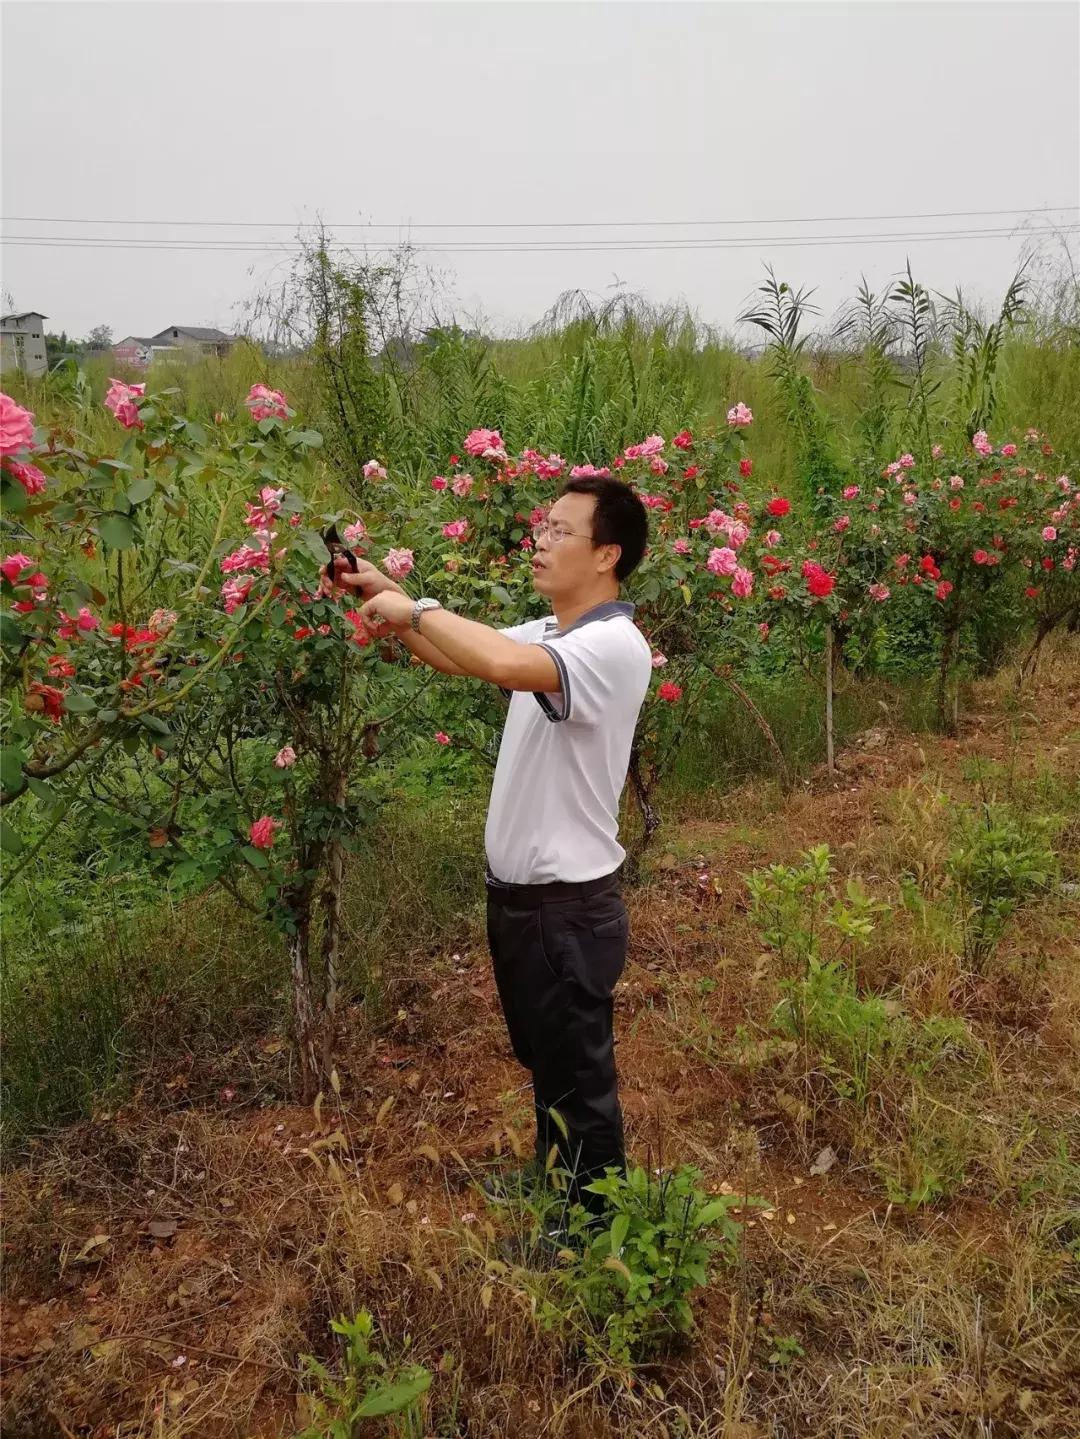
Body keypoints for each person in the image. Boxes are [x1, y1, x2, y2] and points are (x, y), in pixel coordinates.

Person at [332, 476, 651, 1219]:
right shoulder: (552, 631)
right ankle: (557, 1185)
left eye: (560, 531)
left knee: (580, 1076)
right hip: (525, 904)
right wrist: (385, 592)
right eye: (542, 525)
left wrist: (415, 607)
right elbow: (461, 654)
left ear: (608, 554)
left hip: (566, 906)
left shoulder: (613, 645)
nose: (539, 540)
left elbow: (501, 666)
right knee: (548, 1060)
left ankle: (594, 1231)